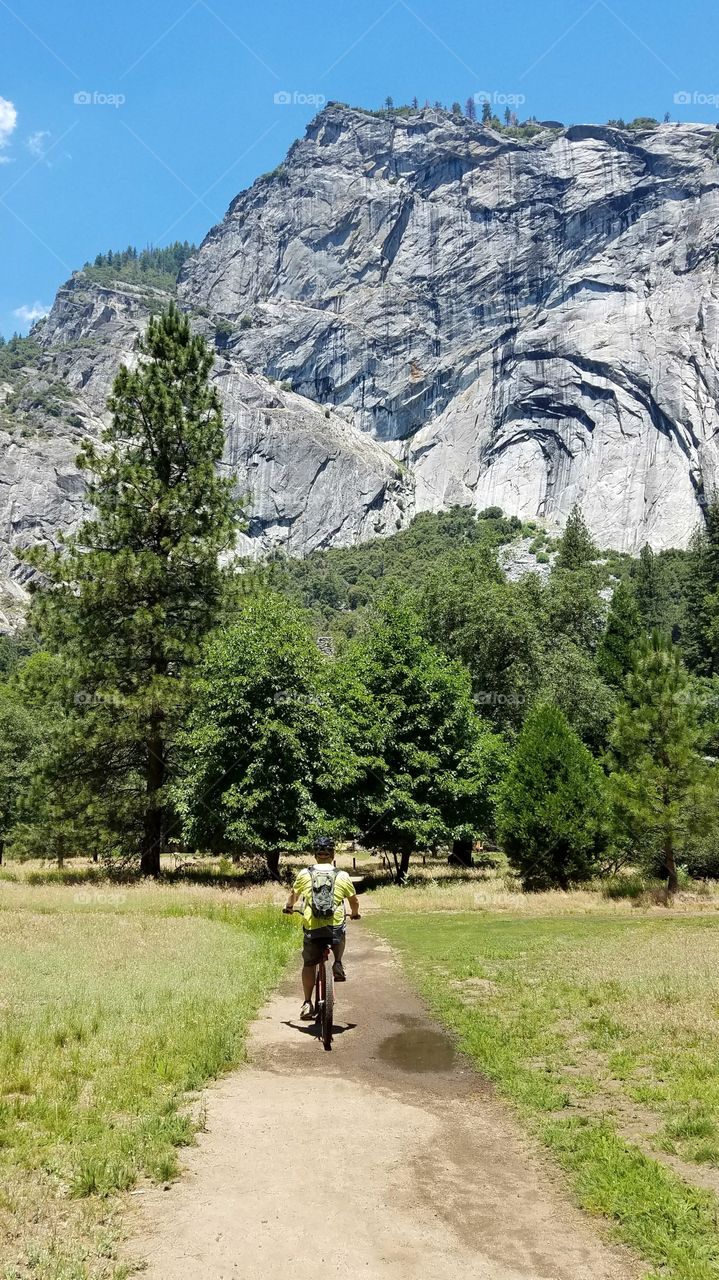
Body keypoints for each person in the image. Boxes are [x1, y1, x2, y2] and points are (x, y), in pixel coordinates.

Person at [283, 836, 360, 1020]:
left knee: (309, 963)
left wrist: (288, 907)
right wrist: (355, 913)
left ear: (315, 855)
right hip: (334, 928)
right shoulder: (342, 875)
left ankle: (307, 1004)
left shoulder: (304, 874)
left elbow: (293, 896)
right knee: (341, 931)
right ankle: (338, 962)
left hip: (312, 928)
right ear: (332, 854)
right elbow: (353, 901)